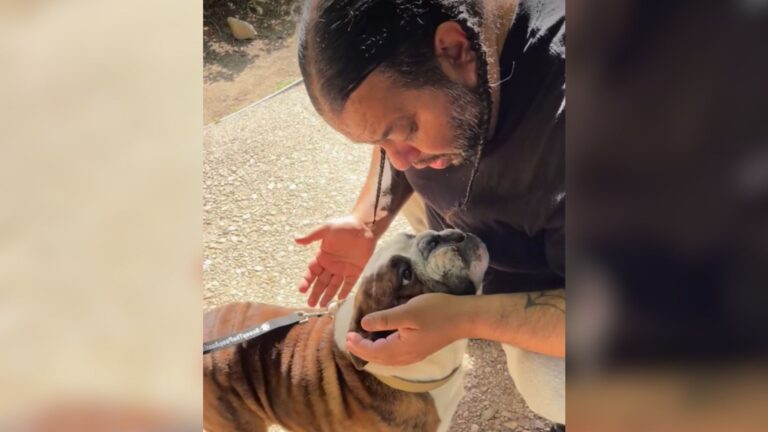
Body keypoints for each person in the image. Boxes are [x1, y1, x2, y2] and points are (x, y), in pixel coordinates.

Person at [294, 0, 565, 426]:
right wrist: (370, 216)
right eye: (380, 143)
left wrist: (464, 320)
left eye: (403, 132)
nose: (400, 161)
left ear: (455, 49)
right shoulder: (458, 65)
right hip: (500, 237)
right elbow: (391, 142)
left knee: (549, 382)